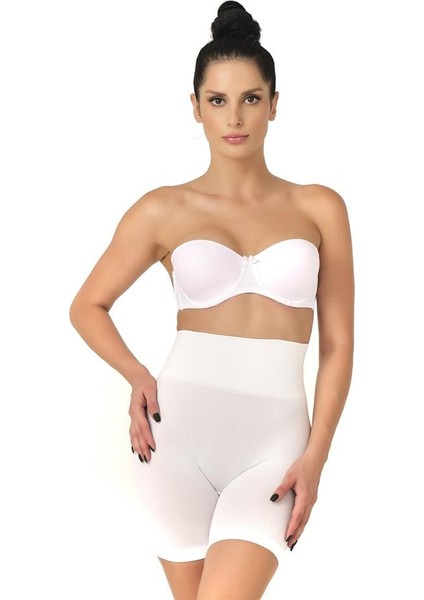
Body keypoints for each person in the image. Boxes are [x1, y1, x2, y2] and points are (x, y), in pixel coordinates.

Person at [69, 2, 355, 598]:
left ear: (274, 104)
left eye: (251, 98)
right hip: (178, 438)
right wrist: (136, 374)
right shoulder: (163, 209)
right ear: (195, 107)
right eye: (218, 100)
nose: (235, 117)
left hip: (277, 446)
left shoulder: (320, 207)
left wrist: (317, 456)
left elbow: (337, 343)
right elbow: (87, 305)